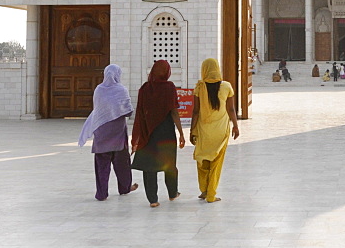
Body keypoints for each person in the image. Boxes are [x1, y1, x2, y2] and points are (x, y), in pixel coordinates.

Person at [78, 64, 139, 200]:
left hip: (101, 134)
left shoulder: (99, 90)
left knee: (101, 166)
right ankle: (124, 188)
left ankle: (101, 193)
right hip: (117, 135)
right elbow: (129, 111)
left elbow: (98, 110)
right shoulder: (121, 90)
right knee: (122, 164)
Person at [131, 60, 186, 207]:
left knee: (149, 166)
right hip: (166, 132)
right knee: (169, 163)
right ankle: (173, 193)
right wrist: (181, 132)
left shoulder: (145, 88)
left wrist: (139, 133)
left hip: (148, 131)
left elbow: (140, 112)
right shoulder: (169, 87)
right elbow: (174, 111)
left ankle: (153, 200)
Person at [189, 58, 240, 203]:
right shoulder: (226, 86)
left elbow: (196, 112)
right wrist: (236, 126)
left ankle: (204, 191)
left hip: (204, 131)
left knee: (202, 160)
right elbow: (230, 109)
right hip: (221, 130)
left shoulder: (199, 87)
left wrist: (192, 130)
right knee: (216, 162)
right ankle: (211, 194)